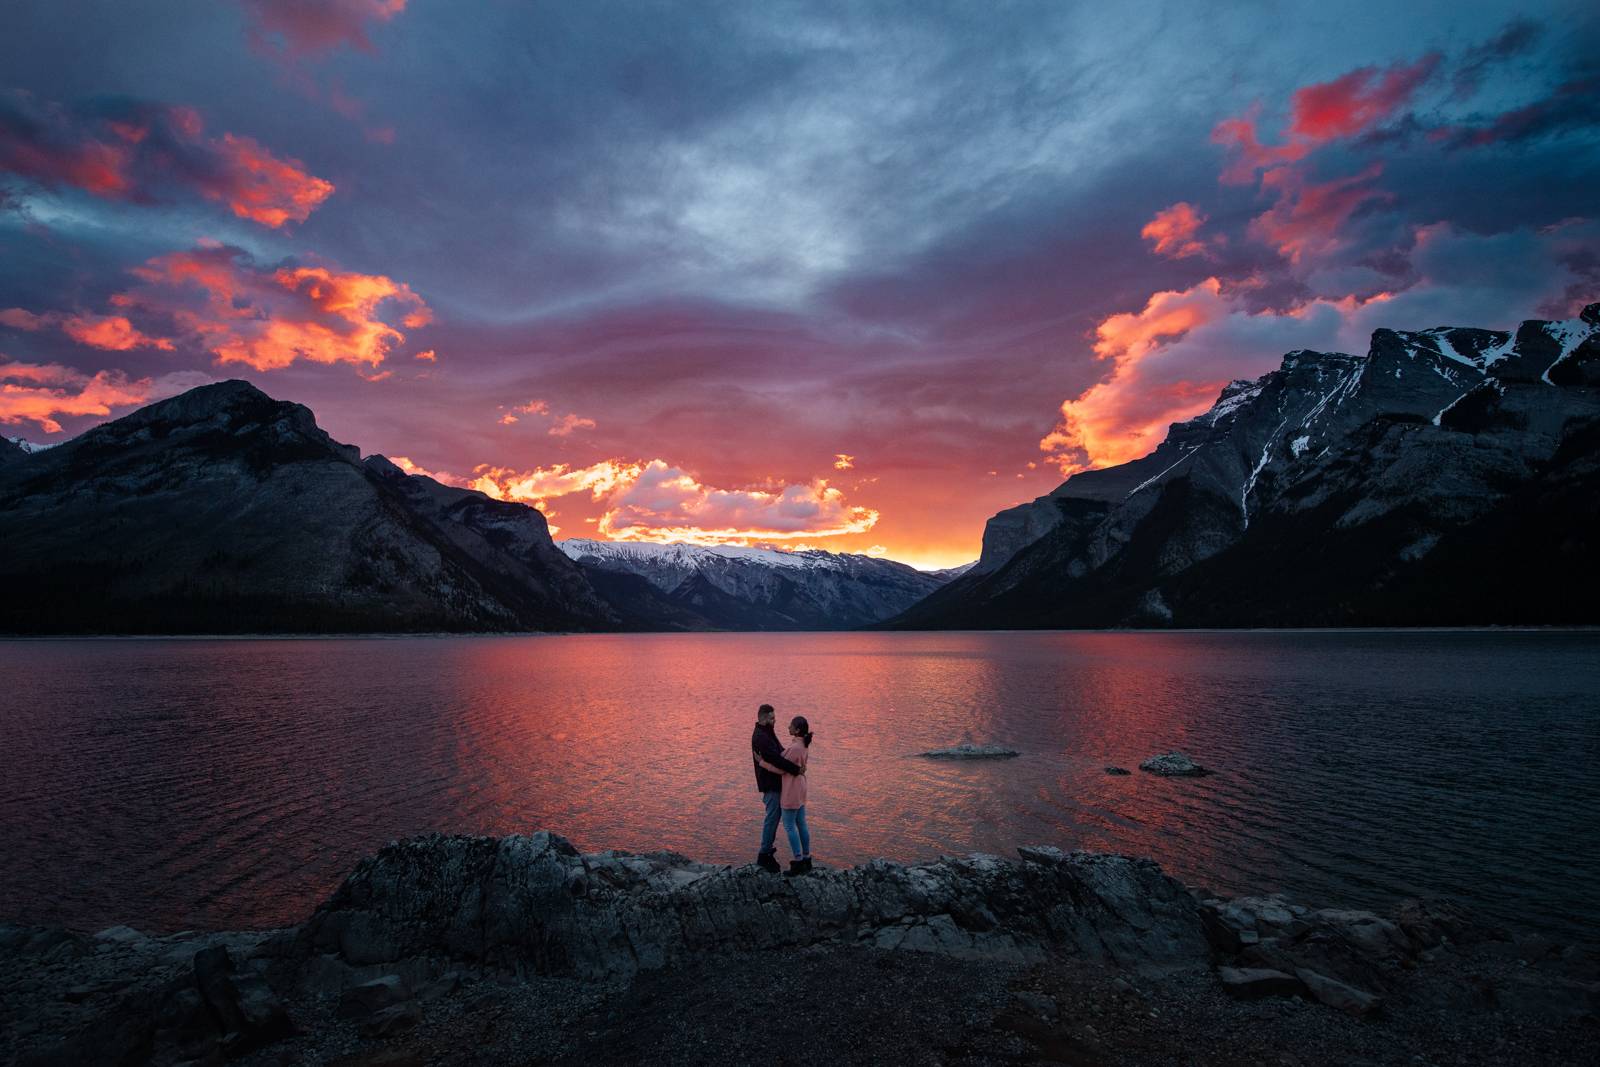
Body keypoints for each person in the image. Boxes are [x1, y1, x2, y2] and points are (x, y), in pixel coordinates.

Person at [758, 714, 813, 876]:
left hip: (791, 790)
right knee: (801, 824)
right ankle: (806, 858)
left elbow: (782, 768)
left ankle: (798, 862)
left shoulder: (795, 748)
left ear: (796, 730)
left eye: (790, 725)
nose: (788, 727)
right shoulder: (803, 744)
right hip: (801, 788)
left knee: (789, 826)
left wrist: (762, 763)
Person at [751, 703, 803, 873]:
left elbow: (781, 752)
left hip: (775, 782)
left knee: (774, 817)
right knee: (772, 818)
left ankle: (767, 852)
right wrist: (795, 769)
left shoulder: (767, 732)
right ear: (764, 718)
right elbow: (776, 758)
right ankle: (764, 854)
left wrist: (794, 757)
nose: (775, 720)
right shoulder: (761, 737)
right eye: (772, 718)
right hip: (770, 784)